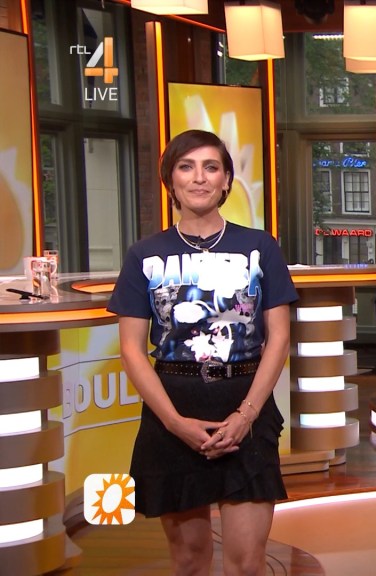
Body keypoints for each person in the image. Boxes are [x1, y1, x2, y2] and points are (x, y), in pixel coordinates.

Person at [107, 129, 298, 575]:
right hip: (172, 409)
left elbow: (279, 338)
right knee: (190, 561)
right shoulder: (144, 255)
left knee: (246, 564)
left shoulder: (260, 247)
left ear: (226, 180)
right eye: (186, 167)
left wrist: (246, 416)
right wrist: (175, 422)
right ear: (170, 180)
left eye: (211, 167)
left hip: (245, 405)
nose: (199, 178)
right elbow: (131, 349)